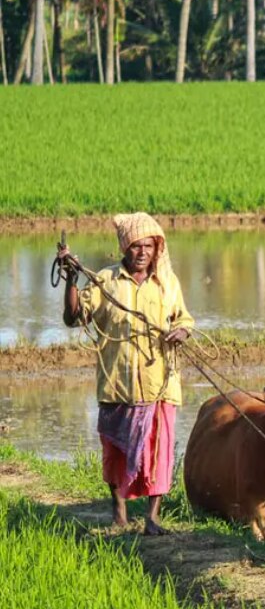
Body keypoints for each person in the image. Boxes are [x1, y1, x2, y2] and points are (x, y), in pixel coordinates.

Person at [58, 213, 194, 535]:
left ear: (156, 248)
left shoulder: (166, 283)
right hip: (117, 385)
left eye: (148, 246)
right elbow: (74, 317)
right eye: (136, 246)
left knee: (159, 451)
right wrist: (71, 279)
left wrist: (181, 332)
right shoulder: (105, 281)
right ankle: (119, 513)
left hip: (159, 384)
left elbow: (185, 319)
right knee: (116, 451)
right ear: (124, 247)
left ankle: (153, 518)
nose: (142, 252)